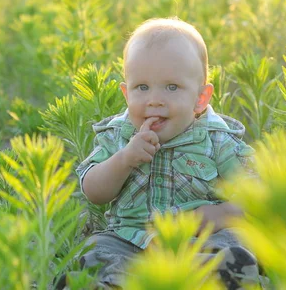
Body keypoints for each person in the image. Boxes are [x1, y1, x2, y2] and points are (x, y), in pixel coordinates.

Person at [68, 18, 262, 289]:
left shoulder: (218, 141)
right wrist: (124, 159)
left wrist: (218, 215)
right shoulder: (118, 136)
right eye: (142, 87)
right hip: (130, 240)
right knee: (94, 254)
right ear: (126, 94)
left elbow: (254, 199)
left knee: (235, 246)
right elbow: (94, 191)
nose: (154, 99)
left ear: (200, 98)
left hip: (197, 241)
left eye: (172, 87)